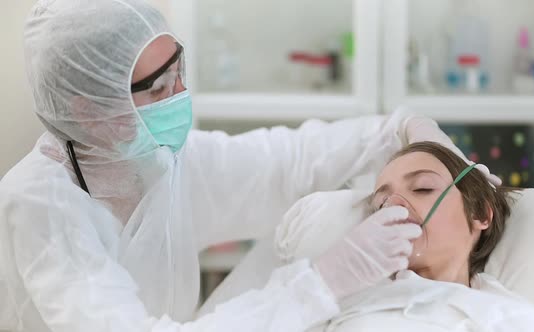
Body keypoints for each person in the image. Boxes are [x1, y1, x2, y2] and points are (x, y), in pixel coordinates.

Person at [0, 1, 498, 331]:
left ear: (484, 216)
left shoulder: (161, 160)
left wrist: (405, 128)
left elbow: (294, 161)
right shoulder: (43, 210)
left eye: (179, 70)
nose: (181, 95)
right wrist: (323, 283)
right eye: (158, 88)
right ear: (89, 108)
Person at [311, 142, 534, 331]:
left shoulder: (509, 316)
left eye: (423, 188)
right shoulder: (343, 299)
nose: (396, 206)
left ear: (480, 212)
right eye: (382, 203)